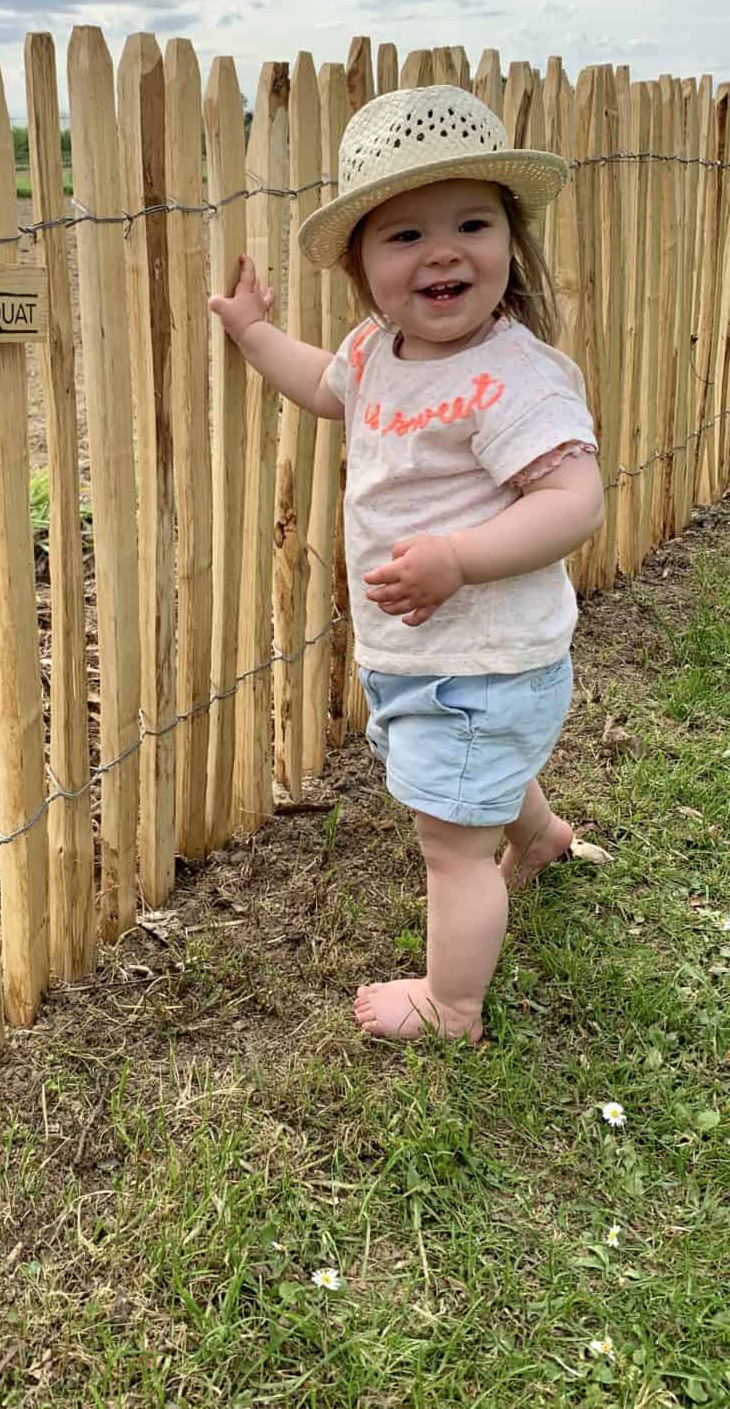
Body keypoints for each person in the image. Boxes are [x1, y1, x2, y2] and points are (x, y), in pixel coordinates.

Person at [208, 84, 604, 1044]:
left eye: (472, 223)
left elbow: (573, 500)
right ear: (359, 266)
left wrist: (461, 560)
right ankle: (541, 835)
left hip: (484, 657)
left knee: (450, 843)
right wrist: (254, 332)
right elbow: (325, 387)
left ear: (511, 242)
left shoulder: (515, 377)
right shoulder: (377, 353)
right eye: (403, 236)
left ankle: (451, 1003)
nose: (441, 252)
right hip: (430, 659)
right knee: (476, 774)